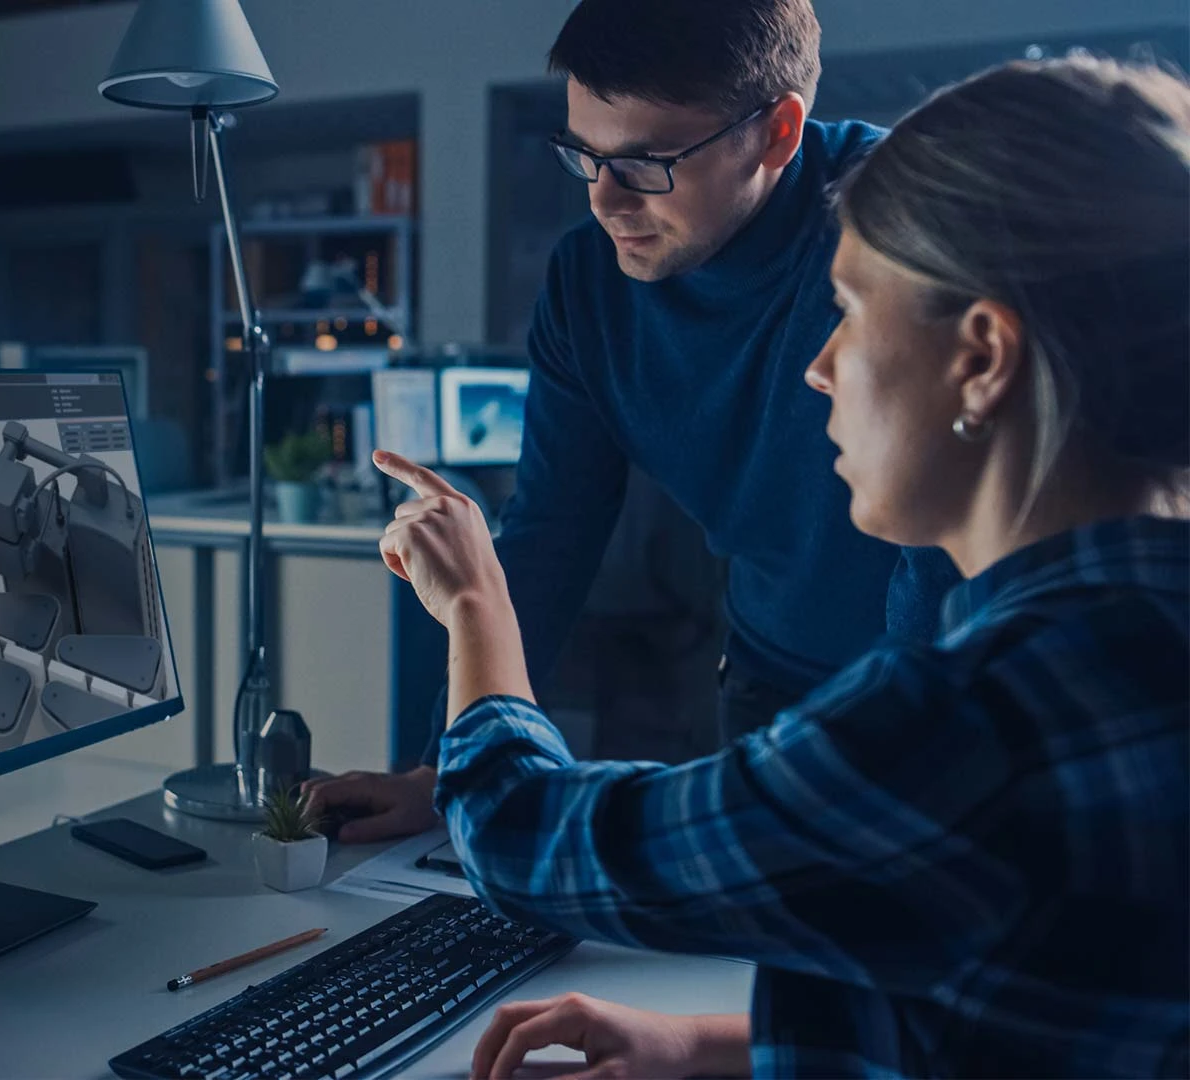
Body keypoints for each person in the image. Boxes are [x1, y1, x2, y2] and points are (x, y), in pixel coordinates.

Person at [376, 56, 1188, 1079]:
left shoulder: (959, 731)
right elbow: (1020, 999)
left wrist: (473, 601)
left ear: (983, 358)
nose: (820, 365)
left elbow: (521, 837)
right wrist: (708, 1044)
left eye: (852, 310)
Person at [304, 0, 961, 843]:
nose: (606, 202)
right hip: (768, 680)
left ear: (777, 133)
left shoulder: (904, 230)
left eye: (647, 164)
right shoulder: (588, 287)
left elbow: (943, 544)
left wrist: (913, 749)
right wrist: (441, 768)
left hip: (936, 683)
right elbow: (552, 529)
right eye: (585, 156)